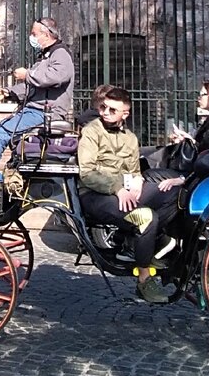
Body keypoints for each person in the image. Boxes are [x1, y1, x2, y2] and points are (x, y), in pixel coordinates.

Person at [76, 86, 180, 305]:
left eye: (112, 110)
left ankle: (145, 244)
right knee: (145, 217)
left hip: (124, 193)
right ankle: (144, 280)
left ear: (125, 114)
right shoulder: (91, 131)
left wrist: (137, 183)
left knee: (174, 192)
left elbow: (133, 171)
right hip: (96, 196)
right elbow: (87, 173)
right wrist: (117, 188)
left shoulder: (130, 139)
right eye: (103, 107)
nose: (105, 112)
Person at [0, 17, 74, 173]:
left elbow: (57, 77)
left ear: (46, 34)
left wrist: (28, 74)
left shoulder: (60, 54)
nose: (32, 38)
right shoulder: (46, 56)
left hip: (43, 113)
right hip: (34, 111)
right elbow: (33, 87)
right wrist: (9, 92)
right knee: (4, 142)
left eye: (34, 33)